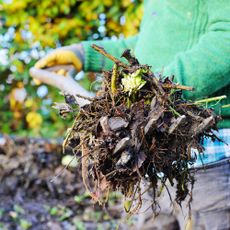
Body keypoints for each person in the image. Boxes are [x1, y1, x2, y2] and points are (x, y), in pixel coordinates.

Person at [32, 0, 230, 229]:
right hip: (153, 161)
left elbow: (225, 38)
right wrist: (85, 54)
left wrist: (158, 89)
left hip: (206, 159)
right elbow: (154, 45)